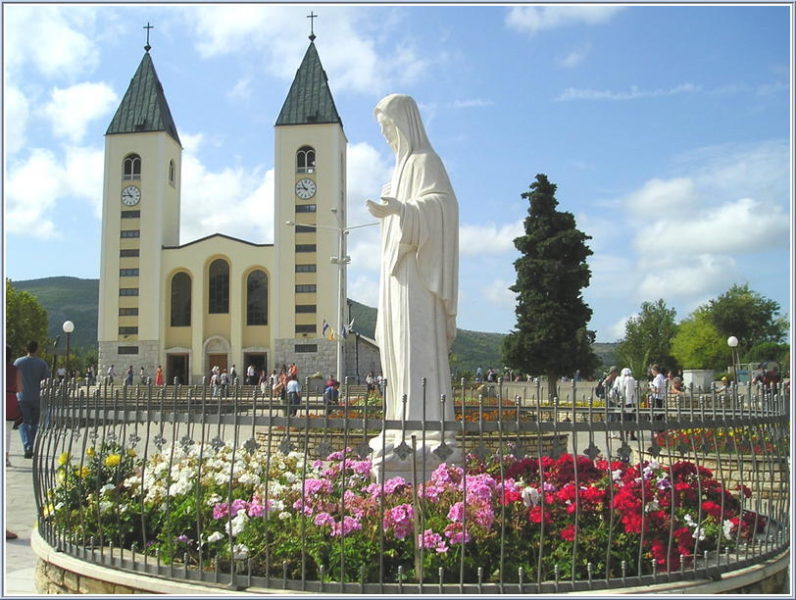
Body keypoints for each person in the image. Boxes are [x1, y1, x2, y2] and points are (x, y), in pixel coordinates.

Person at [365, 93, 459, 471]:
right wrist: (391, 210)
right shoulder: (397, 170)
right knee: (395, 349)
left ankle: (429, 430)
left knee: (415, 346)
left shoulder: (426, 162)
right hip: (395, 277)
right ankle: (398, 423)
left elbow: (444, 208)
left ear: (404, 122)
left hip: (418, 277)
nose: (386, 133)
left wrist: (402, 209)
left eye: (388, 125)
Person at [14, 340, 50, 459]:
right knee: (34, 424)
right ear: (37, 349)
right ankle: (30, 446)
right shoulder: (42, 364)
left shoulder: (18, 362)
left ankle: (27, 445)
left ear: (26, 348)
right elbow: (46, 381)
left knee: (23, 423)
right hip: (36, 398)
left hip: (22, 397)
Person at [613, 367, 637, 441]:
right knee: (631, 419)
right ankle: (631, 435)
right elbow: (635, 389)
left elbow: (614, 389)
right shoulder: (632, 379)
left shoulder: (618, 379)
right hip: (630, 402)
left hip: (620, 402)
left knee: (621, 419)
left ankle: (622, 435)